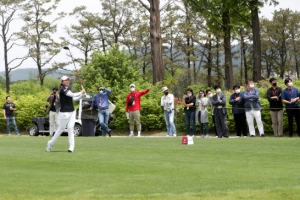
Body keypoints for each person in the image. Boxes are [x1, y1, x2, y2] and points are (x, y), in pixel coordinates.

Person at [46, 76, 85, 152]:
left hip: (72, 112)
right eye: (65, 80)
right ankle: (51, 143)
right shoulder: (62, 90)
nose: (67, 81)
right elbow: (72, 95)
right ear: (62, 82)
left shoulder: (68, 89)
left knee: (70, 128)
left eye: (68, 80)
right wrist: (81, 92)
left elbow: (73, 99)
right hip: (64, 113)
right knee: (60, 129)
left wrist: (81, 96)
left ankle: (71, 147)